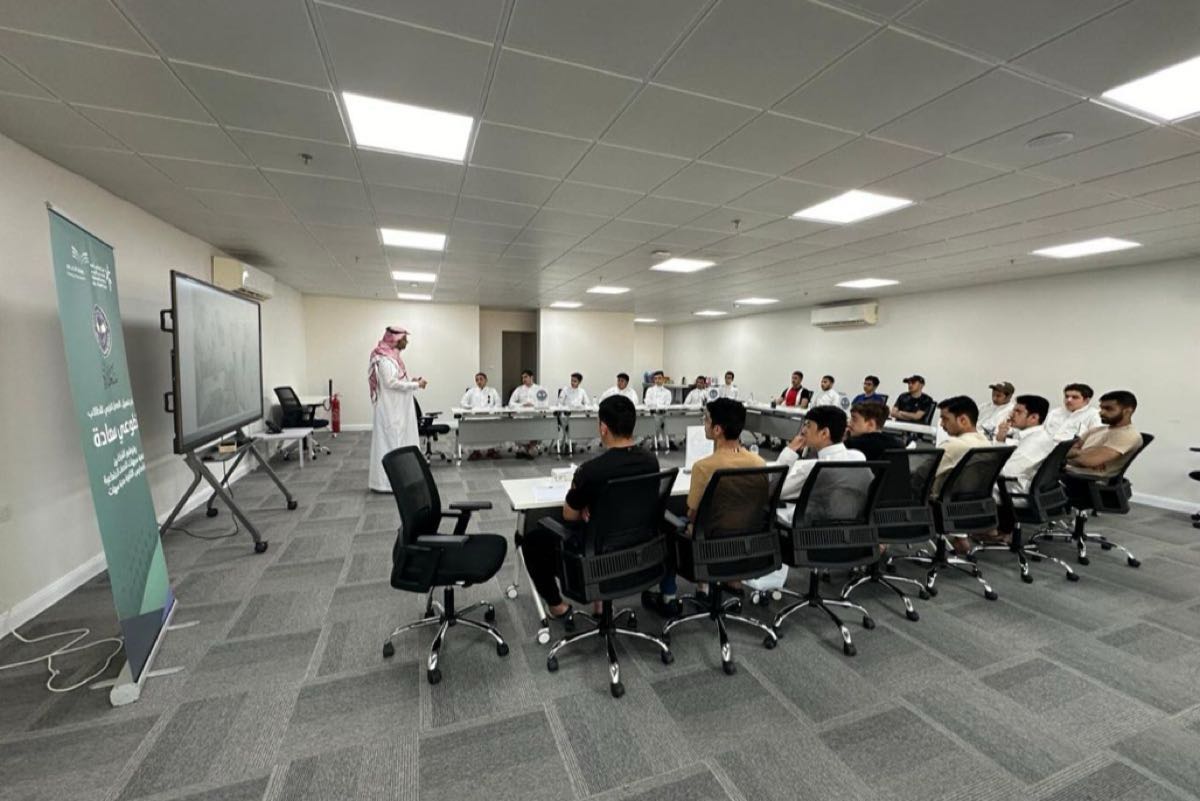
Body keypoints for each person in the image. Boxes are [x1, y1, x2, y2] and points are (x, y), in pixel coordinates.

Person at [521, 396, 659, 619]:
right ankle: (600, 604)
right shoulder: (651, 461)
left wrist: (589, 507)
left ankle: (557, 606)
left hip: (596, 557)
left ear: (603, 428)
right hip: (637, 550)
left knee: (531, 540)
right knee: (605, 527)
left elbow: (569, 515)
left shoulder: (592, 470)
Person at [643, 398, 765, 615]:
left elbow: (693, 514)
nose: (703, 422)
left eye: (706, 419)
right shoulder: (758, 462)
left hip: (708, 545)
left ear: (717, 430)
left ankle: (668, 597)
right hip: (746, 541)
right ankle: (707, 587)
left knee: (668, 523)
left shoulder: (704, 467)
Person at [773, 405, 867, 525]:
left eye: (808, 425)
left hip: (809, 525)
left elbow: (775, 490)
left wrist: (790, 451)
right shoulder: (858, 457)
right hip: (849, 523)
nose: (803, 430)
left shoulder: (815, 468)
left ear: (824, 433)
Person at [1061, 390, 1142, 510]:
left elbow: (1088, 461)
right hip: (1071, 473)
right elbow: (1066, 451)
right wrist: (1078, 456)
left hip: (1085, 482)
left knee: (1036, 479)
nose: (1101, 412)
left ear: (1127, 411)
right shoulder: (1097, 430)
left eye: (1108, 409)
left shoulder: (1128, 435)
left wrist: (1075, 457)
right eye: (1101, 408)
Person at [367, 326, 426, 492]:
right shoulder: (384, 360)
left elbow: (398, 379)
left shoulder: (393, 358)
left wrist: (412, 381)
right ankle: (387, 484)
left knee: (400, 443)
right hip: (390, 411)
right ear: (395, 340)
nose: (406, 342)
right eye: (404, 339)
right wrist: (416, 385)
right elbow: (390, 383)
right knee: (391, 445)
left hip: (398, 410)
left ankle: (402, 480)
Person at [992, 394, 1056, 541]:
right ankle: (1000, 530)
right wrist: (1000, 439)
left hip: (1017, 492)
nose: (1011, 414)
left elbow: (1006, 472)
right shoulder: (1036, 436)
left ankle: (990, 532)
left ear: (1034, 418)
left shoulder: (1035, 442)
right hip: (1026, 487)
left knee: (968, 485)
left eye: (1018, 411)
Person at [931, 395, 990, 495]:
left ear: (963, 420)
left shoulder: (953, 445)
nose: (941, 424)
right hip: (971, 502)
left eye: (945, 419)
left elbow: (922, 475)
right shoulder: (986, 443)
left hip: (936, 501)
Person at [460, 371, 501, 460]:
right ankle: (476, 451)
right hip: (475, 417)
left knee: (493, 428)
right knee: (474, 430)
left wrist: (492, 411)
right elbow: (463, 402)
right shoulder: (471, 391)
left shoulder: (492, 391)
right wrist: (471, 408)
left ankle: (491, 450)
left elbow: (498, 403)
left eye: (481, 379)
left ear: (486, 380)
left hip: (489, 416)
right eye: (477, 380)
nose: (479, 381)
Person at [509, 369, 546, 458]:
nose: (524, 379)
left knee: (535, 430)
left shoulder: (540, 389)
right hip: (522, 416)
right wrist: (522, 405)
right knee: (519, 428)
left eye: (525, 377)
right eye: (522, 378)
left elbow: (544, 403)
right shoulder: (519, 389)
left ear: (531, 377)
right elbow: (511, 403)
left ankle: (532, 447)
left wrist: (533, 405)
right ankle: (523, 447)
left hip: (534, 416)